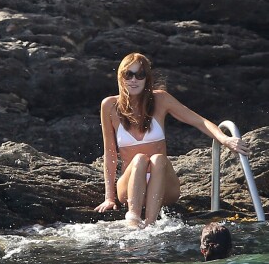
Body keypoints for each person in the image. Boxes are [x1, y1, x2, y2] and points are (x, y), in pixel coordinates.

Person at [94, 52, 249, 228]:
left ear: (147, 78)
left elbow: (200, 121)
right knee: (139, 159)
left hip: (164, 187)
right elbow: (110, 153)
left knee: (158, 158)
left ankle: (150, 226)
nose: (134, 80)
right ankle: (133, 220)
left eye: (140, 74)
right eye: (128, 74)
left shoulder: (161, 99)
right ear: (121, 77)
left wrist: (225, 139)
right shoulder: (109, 105)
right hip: (129, 187)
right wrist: (109, 198)